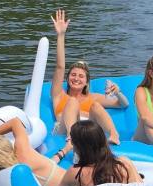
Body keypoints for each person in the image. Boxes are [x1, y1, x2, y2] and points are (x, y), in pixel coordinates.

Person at [50, 9, 127, 145]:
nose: (76, 78)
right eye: (73, 75)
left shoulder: (93, 98)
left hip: (87, 130)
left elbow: (123, 104)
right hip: (63, 129)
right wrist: (61, 35)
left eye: (81, 76)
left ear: (86, 82)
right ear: (67, 79)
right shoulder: (59, 95)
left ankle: (114, 135)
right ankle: (71, 138)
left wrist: (118, 92)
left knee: (96, 106)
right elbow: (60, 67)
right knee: (72, 102)